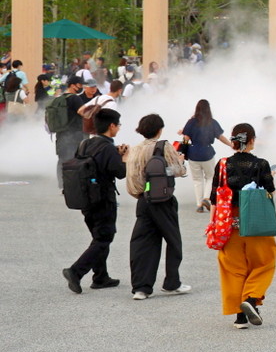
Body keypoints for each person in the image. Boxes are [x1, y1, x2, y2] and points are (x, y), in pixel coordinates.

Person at [212, 123, 276, 329]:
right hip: (256, 220)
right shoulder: (262, 164)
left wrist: (214, 224)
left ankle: (240, 316)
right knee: (265, 262)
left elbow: (215, 197)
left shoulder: (222, 164)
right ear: (251, 141)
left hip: (230, 222)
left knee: (233, 267)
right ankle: (251, 299)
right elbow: (270, 193)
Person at [62, 108, 129, 294]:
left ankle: (101, 277)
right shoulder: (107, 148)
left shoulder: (85, 144)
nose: (119, 128)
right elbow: (120, 173)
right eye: (118, 125)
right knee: (104, 237)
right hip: (103, 199)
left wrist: (116, 154)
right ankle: (75, 271)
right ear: (112, 126)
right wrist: (124, 157)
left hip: (86, 199)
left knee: (98, 237)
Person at [125, 113, 191, 300]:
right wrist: (180, 160)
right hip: (163, 200)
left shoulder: (135, 149)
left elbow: (132, 177)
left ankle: (141, 287)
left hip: (142, 201)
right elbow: (178, 170)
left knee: (143, 243)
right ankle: (172, 282)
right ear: (159, 129)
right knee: (173, 240)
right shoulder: (163, 146)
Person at [180, 99, 233, 213]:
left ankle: (199, 205)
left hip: (193, 153)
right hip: (207, 152)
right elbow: (220, 137)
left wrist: (182, 151)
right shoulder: (212, 122)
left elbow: (186, 139)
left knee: (197, 180)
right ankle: (206, 198)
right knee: (210, 177)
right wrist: (230, 144)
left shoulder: (191, 122)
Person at [53, 76, 87, 187]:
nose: (81, 87)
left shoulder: (59, 98)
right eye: (80, 85)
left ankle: (62, 184)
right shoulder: (75, 98)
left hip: (61, 133)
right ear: (73, 85)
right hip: (74, 133)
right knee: (74, 158)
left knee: (62, 159)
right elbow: (83, 113)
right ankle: (71, 184)